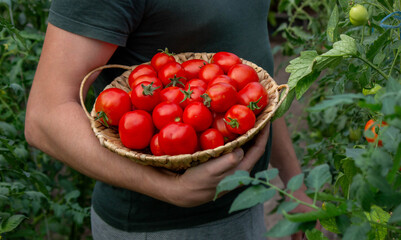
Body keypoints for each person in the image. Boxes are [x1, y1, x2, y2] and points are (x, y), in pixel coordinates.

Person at [25, 0, 315, 239]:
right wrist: (167, 188)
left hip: (247, 204)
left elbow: (251, 87)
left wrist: (294, 186)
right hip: (160, 227)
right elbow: (44, 117)